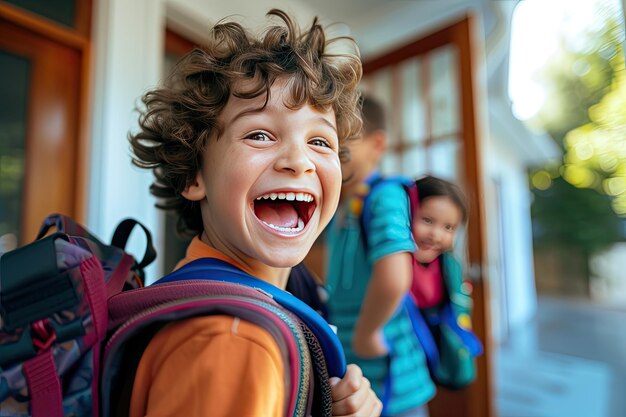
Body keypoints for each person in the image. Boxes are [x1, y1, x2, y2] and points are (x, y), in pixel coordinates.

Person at [127, 9, 382, 417]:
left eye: (320, 141)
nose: (299, 162)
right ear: (194, 176)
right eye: (260, 134)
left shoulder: (282, 289)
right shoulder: (233, 341)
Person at [325, 96, 436, 417]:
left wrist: (369, 330)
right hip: (356, 371)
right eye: (329, 139)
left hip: (393, 375)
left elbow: (395, 275)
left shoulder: (385, 194)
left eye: (347, 140)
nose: (337, 149)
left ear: (377, 144)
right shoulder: (344, 202)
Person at [410, 175, 475, 345]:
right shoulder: (392, 264)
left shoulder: (450, 267)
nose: (436, 235)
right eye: (427, 220)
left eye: (448, 227)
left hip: (440, 356)